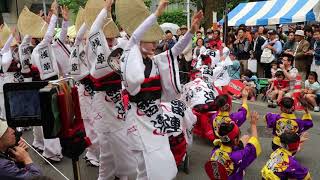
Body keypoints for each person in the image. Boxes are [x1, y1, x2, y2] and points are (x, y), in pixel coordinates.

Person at [120, 0, 204, 178]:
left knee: (163, 161)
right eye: (150, 40)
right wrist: (157, 12)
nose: (154, 44)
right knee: (143, 166)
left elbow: (176, 50)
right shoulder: (128, 58)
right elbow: (134, 38)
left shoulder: (156, 62)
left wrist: (191, 31)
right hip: (137, 118)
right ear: (140, 41)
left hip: (155, 117)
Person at [87, 0, 138, 179]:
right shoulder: (97, 60)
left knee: (108, 156)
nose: (110, 41)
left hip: (117, 108)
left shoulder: (116, 52)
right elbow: (94, 31)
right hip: (105, 111)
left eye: (111, 38)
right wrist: (105, 10)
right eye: (106, 39)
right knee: (118, 151)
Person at [205, 111, 261, 180]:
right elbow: (253, 144)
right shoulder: (238, 156)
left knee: (245, 138)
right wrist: (253, 124)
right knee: (240, 170)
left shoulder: (214, 151)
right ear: (235, 141)